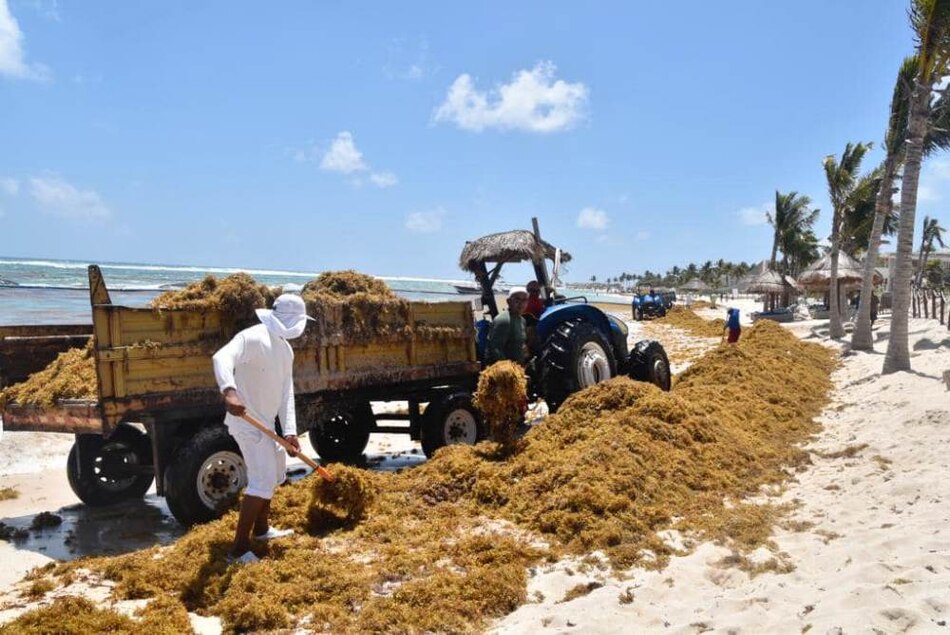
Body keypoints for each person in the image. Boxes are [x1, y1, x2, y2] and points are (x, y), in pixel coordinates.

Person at [213, 293, 315, 563]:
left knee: (274, 474)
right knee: (262, 480)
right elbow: (221, 358)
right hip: (247, 422)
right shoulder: (253, 337)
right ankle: (238, 549)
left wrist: (290, 431)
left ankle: (261, 530)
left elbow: (286, 391)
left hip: (266, 424)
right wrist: (229, 391)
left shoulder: (285, 349)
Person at [487, 287, 528, 364]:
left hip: (519, 367)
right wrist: (509, 370)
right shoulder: (504, 320)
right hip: (506, 371)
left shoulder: (522, 320)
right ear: (508, 301)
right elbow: (495, 350)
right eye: (517, 299)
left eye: (524, 300)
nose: (521, 303)